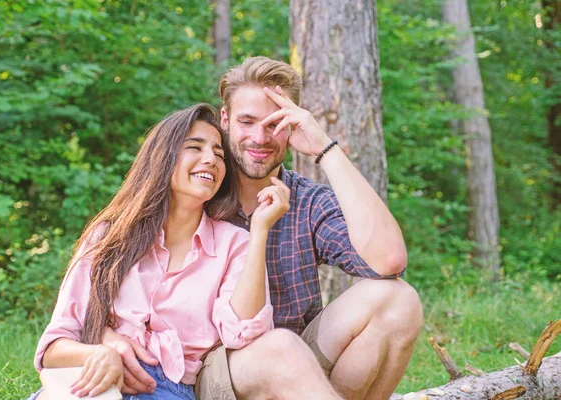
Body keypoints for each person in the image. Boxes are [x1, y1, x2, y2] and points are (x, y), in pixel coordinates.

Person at [106, 57, 423, 400]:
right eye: (247, 121)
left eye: (275, 123)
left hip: (298, 364)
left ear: (292, 126)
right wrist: (106, 337)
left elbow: (389, 260)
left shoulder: (308, 202)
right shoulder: (196, 189)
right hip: (202, 374)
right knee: (278, 350)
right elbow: (113, 280)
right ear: (225, 120)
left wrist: (325, 149)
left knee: (399, 300)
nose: (260, 137)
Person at [28, 104, 290, 399]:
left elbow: (242, 333)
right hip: (94, 382)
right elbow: (53, 347)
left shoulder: (234, 244)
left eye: (219, 154)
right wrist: (104, 352)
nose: (211, 159)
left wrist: (260, 232)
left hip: (168, 389)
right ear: (163, 157)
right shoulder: (108, 236)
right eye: (195, 147)